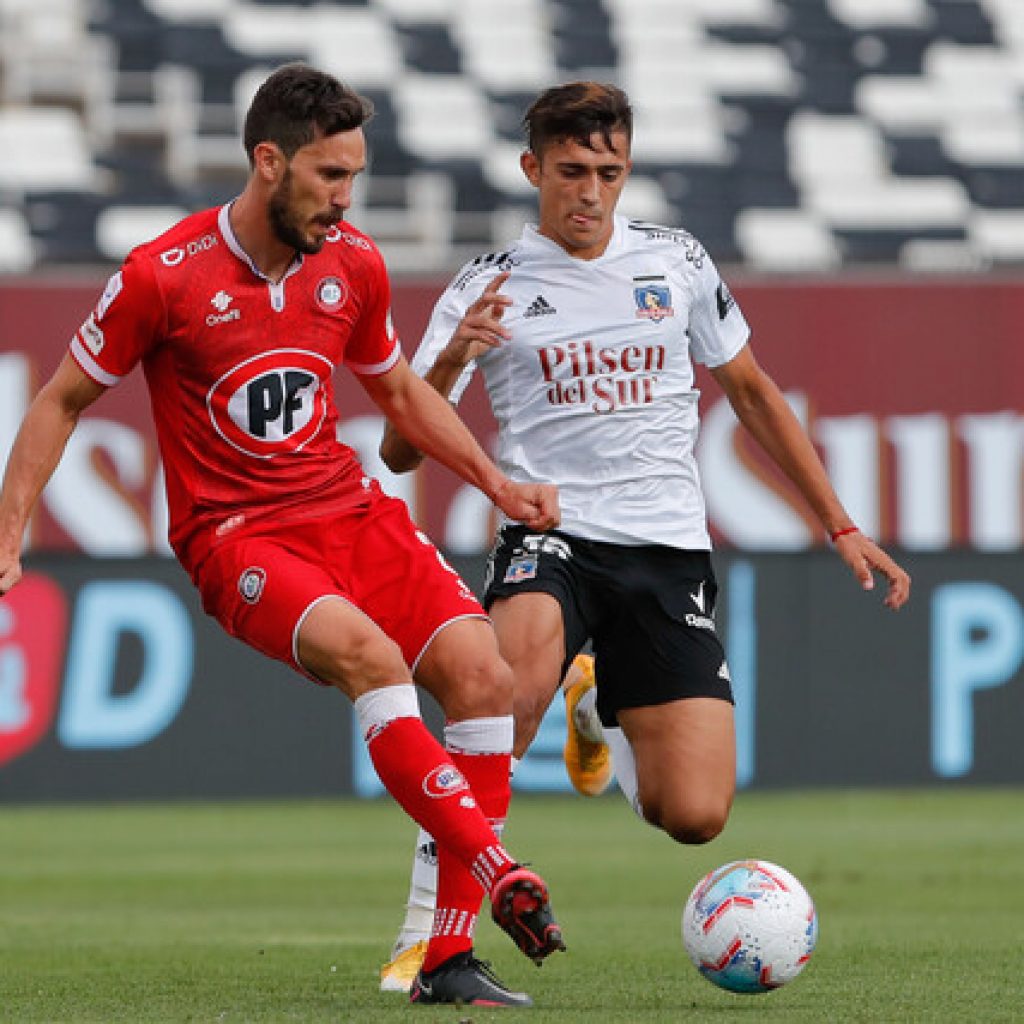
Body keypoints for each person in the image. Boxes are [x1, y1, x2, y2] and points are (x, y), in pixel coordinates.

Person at [0, 64, 568, 1009]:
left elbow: (394, 393)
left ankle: (444, 956)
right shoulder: (162, 276)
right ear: (270, 162)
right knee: (372, 658)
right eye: (330, 176)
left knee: (484, 677)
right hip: (237, 537)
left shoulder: (353, 264)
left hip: (346, 511)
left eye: (354, 176)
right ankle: (500, 865)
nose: (346, 198)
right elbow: (62, 399)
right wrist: (8, 532)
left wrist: (494, 481)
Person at [377, 80, 912, 990]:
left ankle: (600, 710)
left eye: (610, 172)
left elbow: (751, 393)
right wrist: (457, 353)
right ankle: (430, 944)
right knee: (496, 717)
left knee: (695, 814)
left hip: (667, 551)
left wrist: (841, 523)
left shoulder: (679, 263)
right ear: (532, 168)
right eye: (573, 171)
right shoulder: (487, 285)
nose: (591, 192)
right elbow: (397, 446)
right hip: (551, 534)